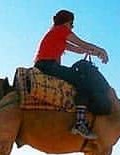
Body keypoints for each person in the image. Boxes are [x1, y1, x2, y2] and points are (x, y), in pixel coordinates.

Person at [33, 9, 109, 139]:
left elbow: (80, 49)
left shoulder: (56, 34)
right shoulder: (61, 30)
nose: (72, 27)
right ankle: (79, 123)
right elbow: (81, 43)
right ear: (67, 22)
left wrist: (96, 53)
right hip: (48, 66)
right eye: (72, 24)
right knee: (83, 81)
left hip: (45, 65)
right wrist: (102, 50)